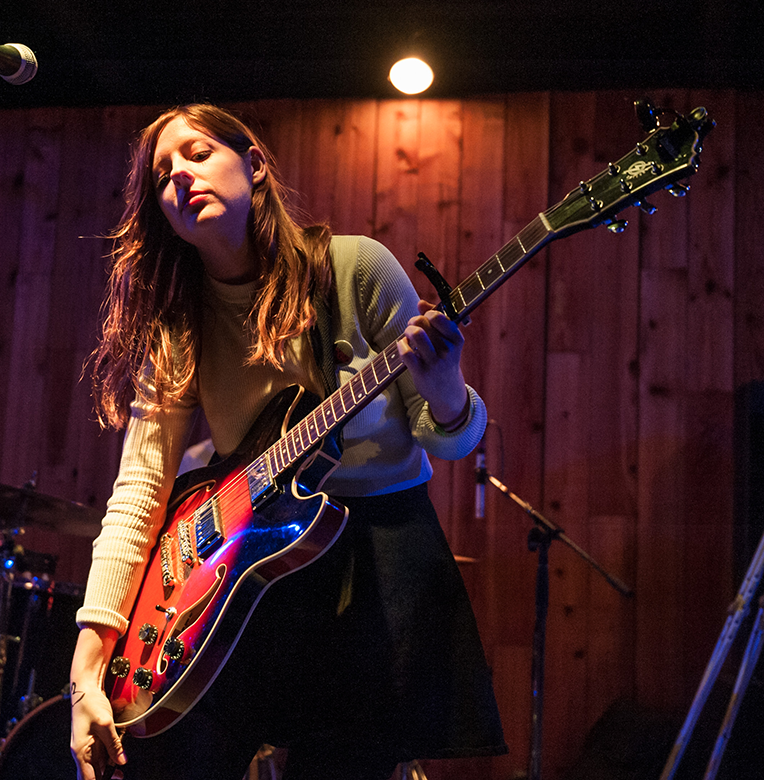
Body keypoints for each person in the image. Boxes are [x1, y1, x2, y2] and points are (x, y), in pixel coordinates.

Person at [69, 104, 506, 780]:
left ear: (255, 165)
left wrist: (446, 383)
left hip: (380, 564)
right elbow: (141, 488)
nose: (180, 176)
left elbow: (447, 438)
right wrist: (87, 664)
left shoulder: (357, 267)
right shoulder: (179, 324)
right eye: (161, 174)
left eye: (197, 152)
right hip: (249, 563)